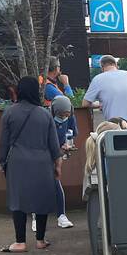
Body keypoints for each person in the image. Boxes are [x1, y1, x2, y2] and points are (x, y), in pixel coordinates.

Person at [0, 76, 62, 252]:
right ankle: (40, 240)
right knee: (41, 198)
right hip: (42, 162)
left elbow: (3, 141)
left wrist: (1, 161)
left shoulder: (9, 112)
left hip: (17, 162)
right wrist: (57, 165)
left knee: (17, 200)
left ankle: (20, 242)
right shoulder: (44, 114)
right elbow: (54, 144)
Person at [82, 55, 127, 129]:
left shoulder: (98, 79)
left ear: (102, 67)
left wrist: (100, 104)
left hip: (116, 129)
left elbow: (85, 103)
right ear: (116, 65)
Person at [45, 95, 76, 229]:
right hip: (43, 154)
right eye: (61, 115)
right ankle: (36, 215)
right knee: (38, 185)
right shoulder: (46, 119)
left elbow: (71, 135)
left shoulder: (70, 118)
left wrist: (66, 146)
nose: (64, 117)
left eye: (67, 114)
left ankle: (61, 215)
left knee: (56, 182)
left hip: (58, 154)